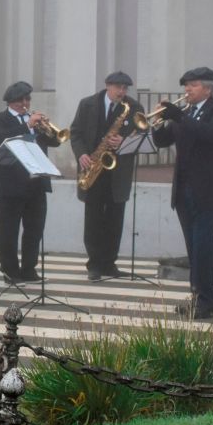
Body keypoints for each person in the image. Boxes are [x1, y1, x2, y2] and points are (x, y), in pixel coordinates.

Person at [151, 67, 213, 320]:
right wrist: (158, 123)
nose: (187, 91)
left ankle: (207, 302)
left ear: (207, 89)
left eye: (192, 86)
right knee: (193, 247)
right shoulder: (187, 113)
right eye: (186, 86)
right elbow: (162, 141)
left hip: (209, 189)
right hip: (184, 189)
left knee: (204, 245)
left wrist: (178, 116)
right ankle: (197, 296)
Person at [68, 71, 144, 281]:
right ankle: (94, 264)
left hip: (117, 171)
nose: (122, 92)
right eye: (118, 87)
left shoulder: (134, 107)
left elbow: (141, 135)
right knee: (93, 218)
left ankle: (110, 263)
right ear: (108, 86)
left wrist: (124, 140)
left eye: (125, 88)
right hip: (92, 166)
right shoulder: (87, 104)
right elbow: (75, 133)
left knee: (115, 218)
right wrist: (82, 154)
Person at [0, 82, 60, 284]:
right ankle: (10, 271)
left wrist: (47, 128)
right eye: (22, 100)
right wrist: (27, 125)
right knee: (8, 231)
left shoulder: (34, 120)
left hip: (36, 182)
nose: (26, 103)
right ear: (12, 102)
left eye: (28, 99)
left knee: (34, 229)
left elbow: (56, 141)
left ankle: (29, 269)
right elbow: (2, 138)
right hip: (11, 184)